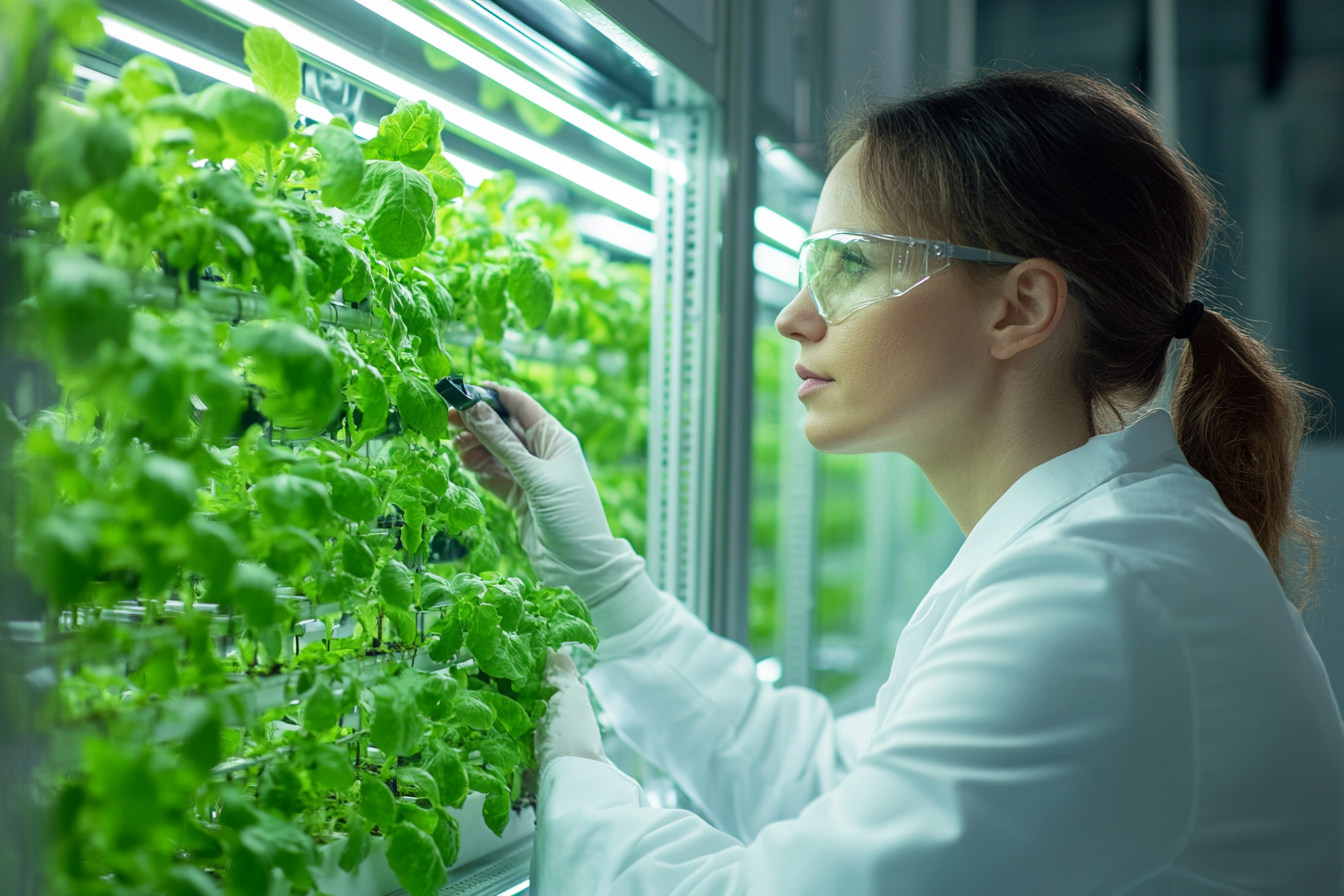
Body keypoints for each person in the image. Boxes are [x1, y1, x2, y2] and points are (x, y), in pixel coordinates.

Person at [450, 71, 1344, 895]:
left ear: (1020, 307)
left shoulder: (1100, 596)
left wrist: (572, 781)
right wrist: (603, 582)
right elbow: (830, 789)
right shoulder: (1105, 550)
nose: (796, 317)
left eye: (851, 264)